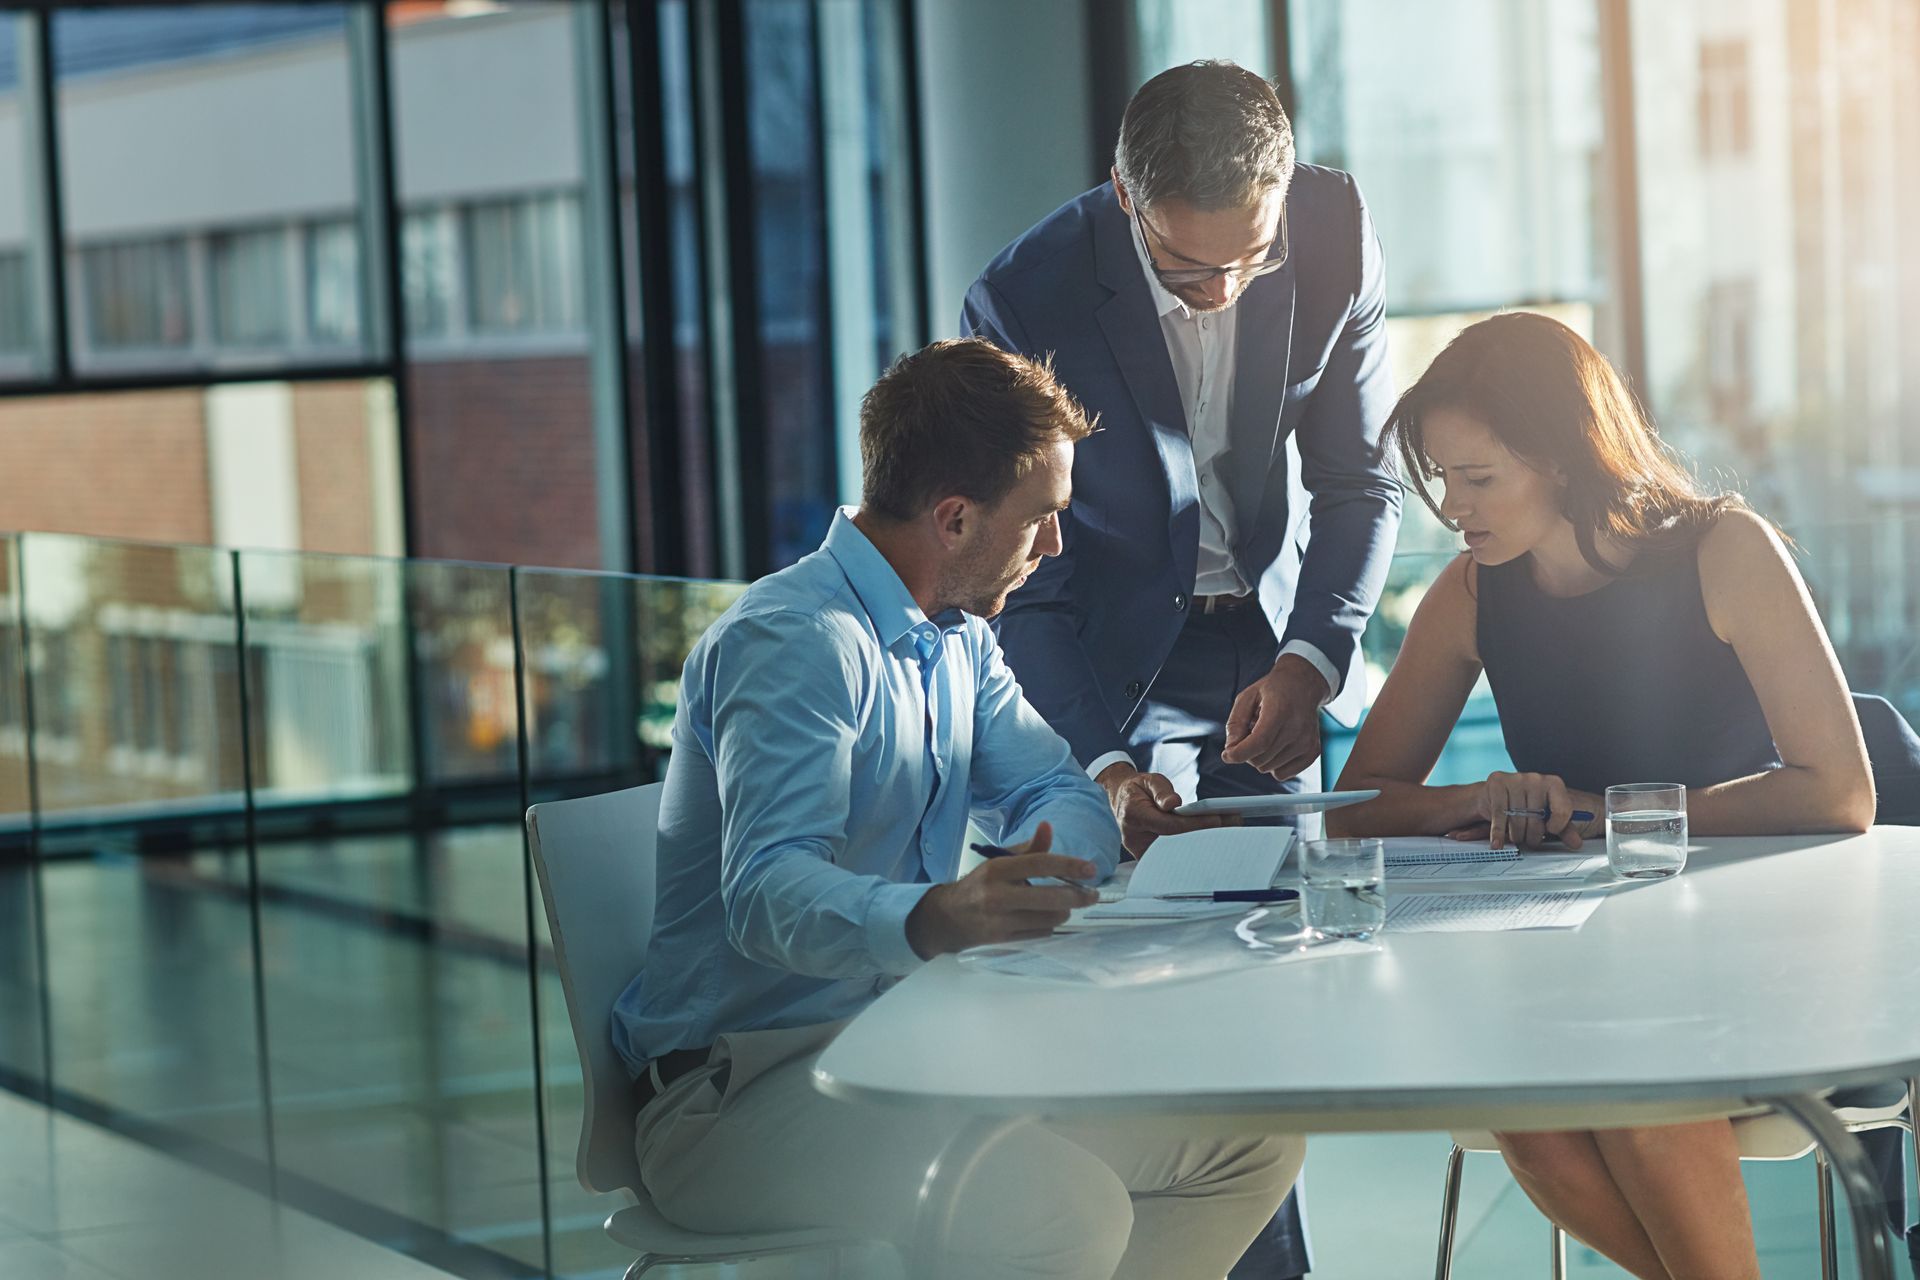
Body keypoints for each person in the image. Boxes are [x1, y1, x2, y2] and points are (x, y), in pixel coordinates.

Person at [611, 338, 1304, 1280]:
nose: (1056, 546)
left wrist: (1061, 850)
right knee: (1064, 1212)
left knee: (1247, 1145)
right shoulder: (794, 643)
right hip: (740, 1097)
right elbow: (767, 892)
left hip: (909, 1054)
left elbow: (1056, 788)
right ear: (953, 518)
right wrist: (940, 916)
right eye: (1042, 519)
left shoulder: (958, 645)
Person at [964, 59, 1402, 1276]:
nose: (1221, 293)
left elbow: (1359, 483)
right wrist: (1100, 760)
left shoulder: (1332, 229)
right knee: (1124, 983)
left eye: (1246, 261)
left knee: (1267, 981)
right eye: (1186, 266)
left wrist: (1315, 657)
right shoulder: (1025, 297)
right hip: (1098, 655)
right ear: (1122, 197)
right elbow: (1028, 587)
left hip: (1262, 639)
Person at [1329, 311, 1876, 1280]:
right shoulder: (1470, 591)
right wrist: (1482, 797)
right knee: (1534, 1122)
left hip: (1745, 940)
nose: (1453, 506)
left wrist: (1606, 812)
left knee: (1641, 1102)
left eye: (1479, 477)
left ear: (1567, 458)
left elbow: (1839, 792)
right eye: (1443, 478)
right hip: (1581, 952)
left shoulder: (1725, 550)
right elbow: (1355, 807)